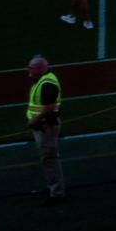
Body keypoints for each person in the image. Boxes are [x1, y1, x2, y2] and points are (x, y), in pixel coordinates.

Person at [26, 55, 66, 205]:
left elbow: (50, 106)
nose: (28, 70)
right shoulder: (44, 80)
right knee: (48, 158)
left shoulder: (47, 83)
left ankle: (57, 193)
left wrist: (35, 119)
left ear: (40, 68)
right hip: (43, 126)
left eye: (31, 67)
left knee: (49, 159)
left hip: (45, 127)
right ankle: (53, 187)